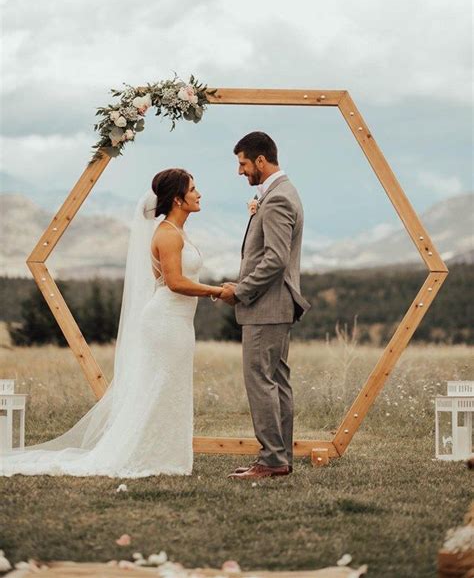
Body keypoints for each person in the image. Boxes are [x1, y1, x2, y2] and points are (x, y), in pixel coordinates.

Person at [0, 168, 223, 477]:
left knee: (170, 387)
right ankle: (150, 455)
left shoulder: (178, 231)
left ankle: (166, 455)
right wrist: (218, 291)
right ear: (177, 199)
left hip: (179, 321)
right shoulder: (168, 234)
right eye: (194, 189)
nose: (199, 194)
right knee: (159, 387)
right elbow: (174, 282)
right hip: (166, 321)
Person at [220, 132, 310, 480]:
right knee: (276, 381)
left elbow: (275, 259)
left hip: (267, 307)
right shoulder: (279, 194)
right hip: (274, 306)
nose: (240, 171)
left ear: (260, 160)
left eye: (242, 163)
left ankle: (272, 460)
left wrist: (241, 291)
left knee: (261, 381)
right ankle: (279, 457)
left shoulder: (277, 200)